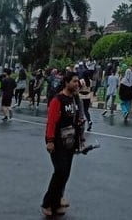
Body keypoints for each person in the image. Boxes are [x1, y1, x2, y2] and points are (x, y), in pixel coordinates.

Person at [41, 72, 81, 216]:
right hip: (57, 141)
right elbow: (51, 122)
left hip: (69, 140)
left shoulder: (74, 99)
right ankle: (47, 203)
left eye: (78, 82)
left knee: (65, 174)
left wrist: (80, 138)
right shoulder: (58, 100)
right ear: (66, 82)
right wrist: (50, 141)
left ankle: (56, 203)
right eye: (74, 81)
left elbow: (76, 119)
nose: (77, 84)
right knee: (60, 172)